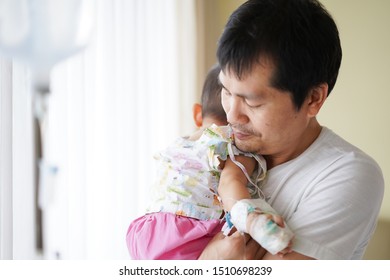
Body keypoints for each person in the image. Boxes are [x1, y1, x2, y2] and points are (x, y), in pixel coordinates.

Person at [198, 0, 384, 260]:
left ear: (313, 99)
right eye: (226, 92)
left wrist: (209, 263)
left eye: (252, 102)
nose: (231, 114)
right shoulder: (216, 150)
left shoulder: (348, 173)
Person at [126, 64, 293, 260]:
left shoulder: (180, 143)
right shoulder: (233, 143)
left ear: (199, 113)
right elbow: (230, 184)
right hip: (187, 236)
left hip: (147, 231)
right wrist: (255, 222)